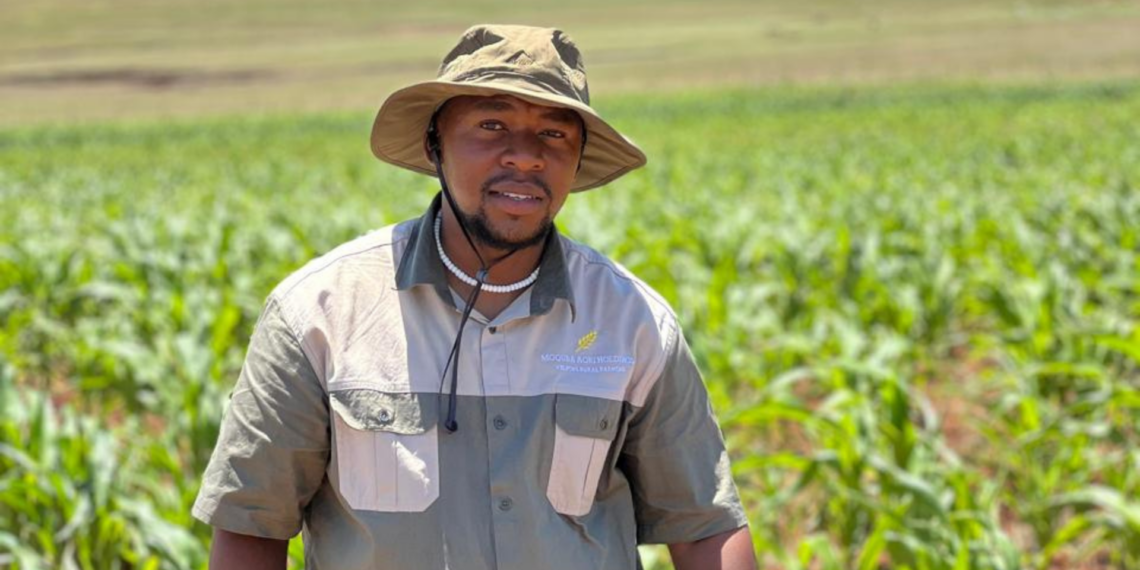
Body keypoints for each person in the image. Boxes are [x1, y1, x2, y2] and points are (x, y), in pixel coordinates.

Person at [193, 24, 756, 570]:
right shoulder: (319, 314)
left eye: (554, 134)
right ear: (434, 144)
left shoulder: (631, 322)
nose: (525, 156)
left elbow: (704, 526)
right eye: (491, 125)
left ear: (577, 159)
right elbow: (250, 526)